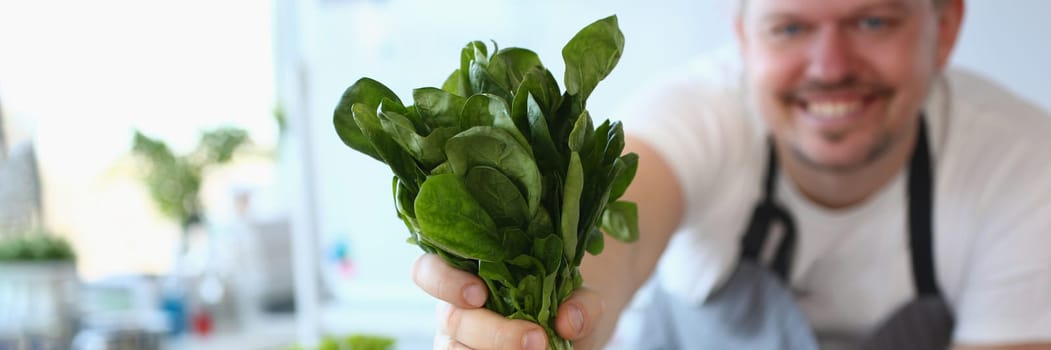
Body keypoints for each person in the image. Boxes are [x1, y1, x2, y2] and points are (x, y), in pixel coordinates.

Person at [412, 0, 1051, 348]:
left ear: (945, 28)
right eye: (791, 27)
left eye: (873, 20)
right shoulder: (697, 116)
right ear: (744, 39)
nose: (829, 66)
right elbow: (606, 254)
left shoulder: (1023, 163)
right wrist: (532, 331)